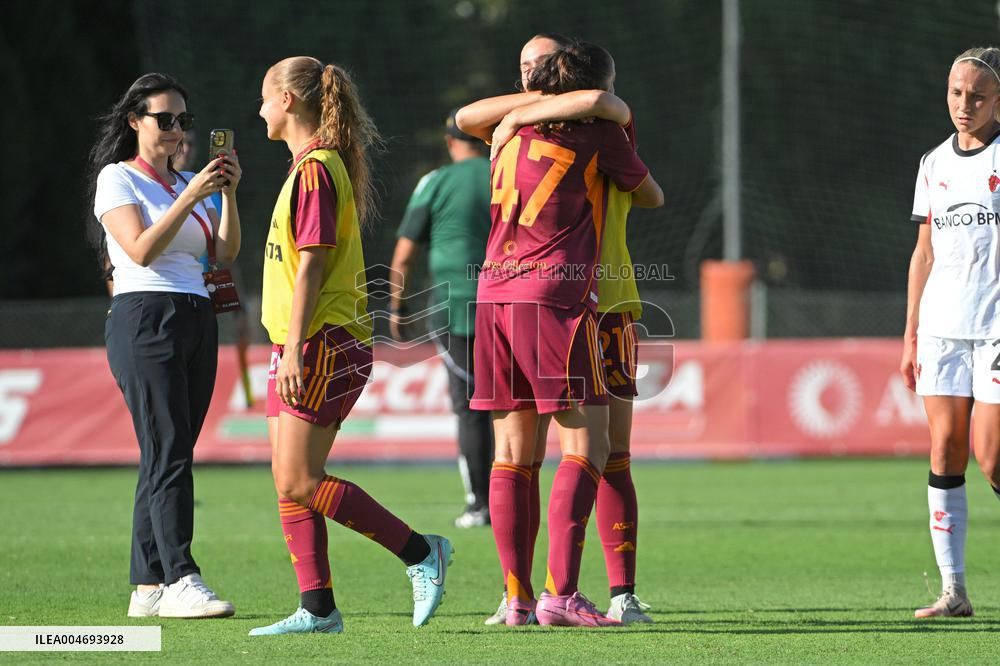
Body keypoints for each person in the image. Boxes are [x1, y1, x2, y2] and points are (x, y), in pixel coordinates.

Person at [249, 56, 452, 636]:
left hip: (320, 341)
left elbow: (312, 266)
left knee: (298, 480)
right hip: (299, 340)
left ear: (287, 101)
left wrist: (292, 350)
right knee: (287, 478)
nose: (259, 109)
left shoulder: (315, 169)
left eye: (264, 97)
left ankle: (420, 552)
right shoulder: (307, 168)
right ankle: (317, 609)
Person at [458, 33, 655, 625]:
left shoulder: (512, 132)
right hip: (563, 297)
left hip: (498, 292)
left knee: (523, 454)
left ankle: (534, 596)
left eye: (534, 69)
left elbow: (468, 117)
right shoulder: (598, 131)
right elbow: (650, 192)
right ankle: (559, 593)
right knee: (588, 447)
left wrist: (523, 109)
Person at [87, 73, 242, 618]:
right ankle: (180, 575)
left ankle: (147, 585)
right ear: (135, 121)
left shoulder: (183, 183)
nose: (177, 130)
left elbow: (222, 251)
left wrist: (224, 194)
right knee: (170, 448)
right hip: (145, 314)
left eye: (184, 121)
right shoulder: (117, 178)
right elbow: (141, 249)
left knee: (168, 451)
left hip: (197, 314)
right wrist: (192, 194)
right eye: (165, 119)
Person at [901, 46, 1000, 619]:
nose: (965, 105)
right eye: (957, 93)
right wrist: (911, 333)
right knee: (945, 450)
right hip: (942, 326)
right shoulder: (933, 162)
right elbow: (923, 252)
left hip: (995, 327)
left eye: (978, 95)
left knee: (991, 455)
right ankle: (954, 590)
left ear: (997, 100)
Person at [389, 110, 494, 529]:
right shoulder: (506, 173)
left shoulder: (435, 181)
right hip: (515, 304)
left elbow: (405, 252)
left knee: (470, 407)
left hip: (456, 308)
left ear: (450, 142)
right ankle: (516, 499)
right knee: (514, 406)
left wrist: (398, 307)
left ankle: (480, 504)